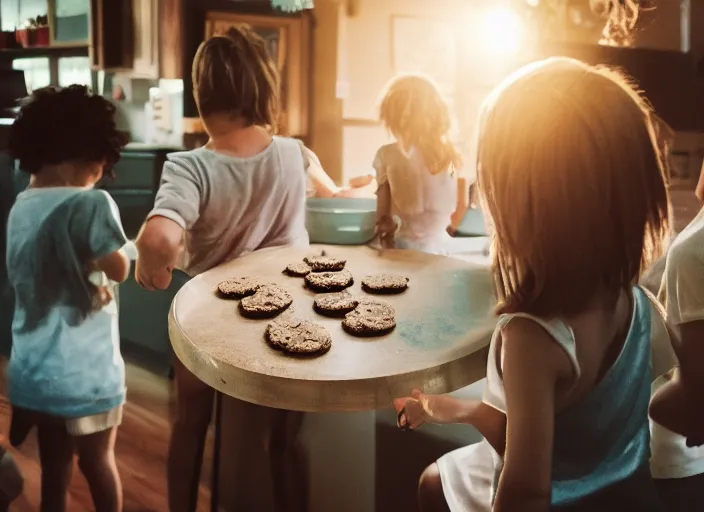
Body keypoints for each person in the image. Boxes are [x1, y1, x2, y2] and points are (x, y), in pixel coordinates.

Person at [394, 57, 670, 512]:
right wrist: (454, 409)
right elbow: (570, 427)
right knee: (434, 480)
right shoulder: (637, 304)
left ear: (525, 205)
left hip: (565, 498)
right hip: (623, 493)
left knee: (431, 484)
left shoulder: (532, 337)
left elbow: (526, 492)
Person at [135, 25, 313, 512]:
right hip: (285, 317)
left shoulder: (191, 166)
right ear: (261, 89)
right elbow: (330, 192)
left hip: (209, 321)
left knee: (190, 425)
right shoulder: (293, 154)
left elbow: (159, 237)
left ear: (199, 93)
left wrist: (152, 268)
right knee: (283, 440)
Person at [5, 85, 130, 512]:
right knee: (98, 461)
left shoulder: (21, 205)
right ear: (89, 157)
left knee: (55, 470)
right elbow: (119, 269)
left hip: (36, 370)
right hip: (86, 372)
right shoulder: (90, 205)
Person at [373, 74, 468, 253]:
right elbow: (461, 206)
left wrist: (385, 238)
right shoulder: (452, 154)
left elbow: (383, 216)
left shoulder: (386, 155)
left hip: (402, 247)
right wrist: (439, 234)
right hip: (441, 247)